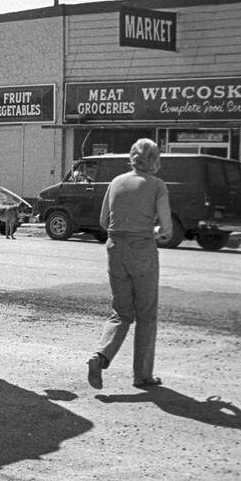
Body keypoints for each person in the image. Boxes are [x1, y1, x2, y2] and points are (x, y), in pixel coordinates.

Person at [87, 139, 173, 390]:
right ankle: (142, 375)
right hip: (142, 251)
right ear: (155, 160)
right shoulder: (157, 185)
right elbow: (166, 229)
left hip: (115, 250)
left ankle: (100, 356)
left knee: (121, 313)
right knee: (146, 315)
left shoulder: (116, 182)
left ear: (132, 157)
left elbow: (104, 221)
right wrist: (153, 232)